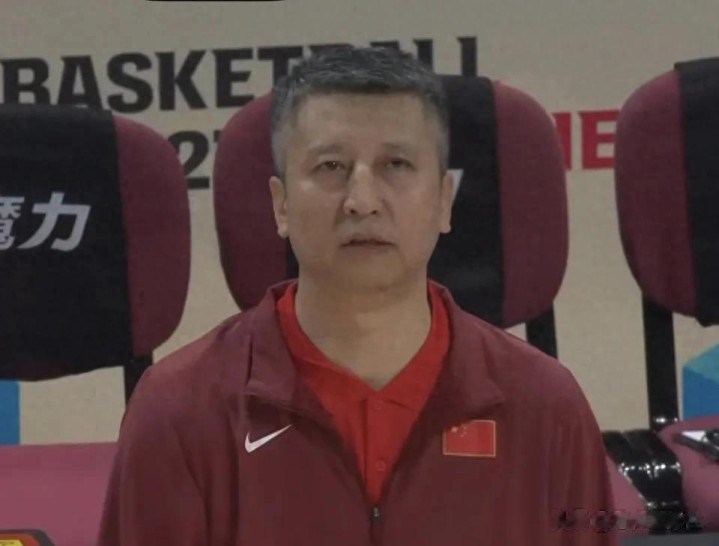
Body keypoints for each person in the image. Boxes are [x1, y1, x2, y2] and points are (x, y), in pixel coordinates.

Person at [98, 46, 617, 545]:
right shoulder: (179, 413)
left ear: (443, 201)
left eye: (396, 165)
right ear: (281, 205)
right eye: (330, 167)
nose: (362, 201)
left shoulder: (546, 408)